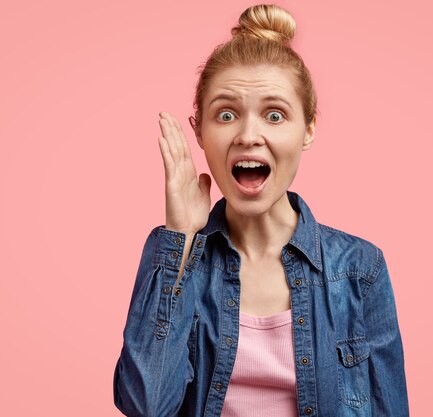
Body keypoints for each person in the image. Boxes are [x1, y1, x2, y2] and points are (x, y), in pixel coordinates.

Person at [113, 4, 409, 417]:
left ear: (308, 129)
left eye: (274, 115)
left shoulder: (360, 268)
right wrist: (180, 237)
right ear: (198, 129)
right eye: (226, 114)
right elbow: (145, 405)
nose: (249, 135)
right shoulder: (176, 257)